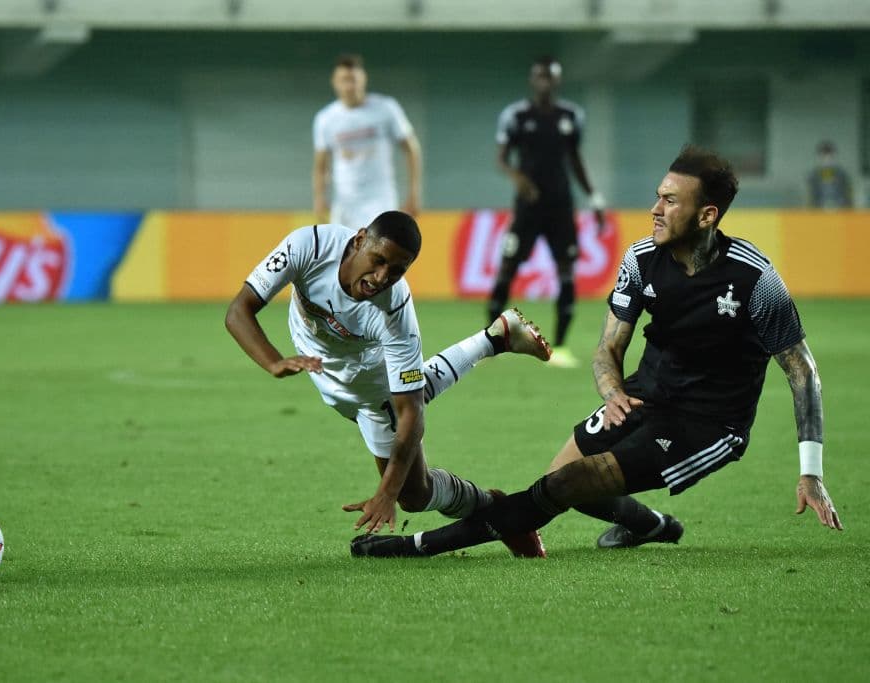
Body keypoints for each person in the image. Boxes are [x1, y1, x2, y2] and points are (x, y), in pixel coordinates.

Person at [352, 146, 843, 560]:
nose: (655, 208)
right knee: (561, 480)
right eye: (657, 195)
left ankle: (419, 546)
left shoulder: (755, 279)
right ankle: (652, 525)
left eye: (670, 201)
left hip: (709, 423)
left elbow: (802, 372)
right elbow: (609, 346)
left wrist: (811, 472)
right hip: (643, 396)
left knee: (567, 484)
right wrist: (612, 391)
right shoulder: (640, 258)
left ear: (706, 214)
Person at [226, 211, 552, 556]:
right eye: (378, 260)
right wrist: (273, 361)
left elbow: (411, 410)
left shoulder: (395, 310)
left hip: (369, 386)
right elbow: (238, 311)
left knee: (415, 495)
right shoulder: (310, 246)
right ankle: (494, 339)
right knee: (414, 390)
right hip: (324, 368)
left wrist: (386, 493)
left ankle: (493, 508)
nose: (382, 277)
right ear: (359, 240)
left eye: (396, 271)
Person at [488, 56, 606, 369]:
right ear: (532, 79)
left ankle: (562, 347)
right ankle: (487, 343)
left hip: (561, 207)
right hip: (527, 208)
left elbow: (575, 160)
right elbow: (501, 159)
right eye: (539, 76)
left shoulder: (570, 116)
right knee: (506, 268)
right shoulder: (516, 116)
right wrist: (520, 179)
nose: (544, 82)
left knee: (567, 271)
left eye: (550, 77)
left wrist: (594, 199)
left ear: (557, 81)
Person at [312, 54, 422, 228]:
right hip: (345, 203)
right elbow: (321, 165)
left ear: (363, 79)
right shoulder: (325, 118)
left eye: (353, 79)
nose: (349, 86)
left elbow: (411, 149)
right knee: (344, 253)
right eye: (344, 80)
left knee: (380, 251)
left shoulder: (386, 108)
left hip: (380, 200)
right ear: (334, 82)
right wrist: (319, 197)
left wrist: (414, 193)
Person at [806, 140, 853, 209]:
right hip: (819, 212)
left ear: (834, 156)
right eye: (824, 156)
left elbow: (848, 196)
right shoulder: (813, 176)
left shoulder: (842, 175)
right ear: (819, 157)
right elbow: (811, 197)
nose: (827, 159)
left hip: (841, 212)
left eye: (830, 156)